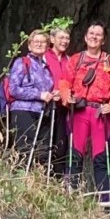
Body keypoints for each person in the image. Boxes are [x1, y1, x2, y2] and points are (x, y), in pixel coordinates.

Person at [59, 22, 110, 204]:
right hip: (80, 110)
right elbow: (64, 81)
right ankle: (71, 198)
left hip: (100, 113)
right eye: (91, 34)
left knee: (100, 158)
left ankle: (105, 201)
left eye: (98, 34)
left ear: (103, 40)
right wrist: (66, 97)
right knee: (75, 155)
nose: (94, 37)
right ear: (86, 37)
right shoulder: (76, 60)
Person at [7, 29, 56, 166]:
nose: (39, 44)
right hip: (23, 110)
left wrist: (52, 94)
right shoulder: (21, 62)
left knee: (42, 150)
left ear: (47, 46)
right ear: (29, 45)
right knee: (25, 148)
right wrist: (39, 95)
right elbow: (13, 89)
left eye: (43, 42)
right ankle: (21, 181)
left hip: (42, 113)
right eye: (36, 42)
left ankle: (35, 182)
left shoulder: (46, 68)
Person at [43, 26, 72, 178]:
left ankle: (58, 179)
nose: (65, 41)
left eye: (67, 38)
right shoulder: (44, 56)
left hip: (62, 107)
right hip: (44, 105)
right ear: (52, 39)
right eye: (61, 38)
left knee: (60, 144)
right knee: (44, 142)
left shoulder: (70, 60)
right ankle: (40, 176)